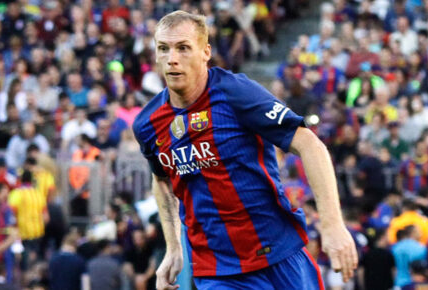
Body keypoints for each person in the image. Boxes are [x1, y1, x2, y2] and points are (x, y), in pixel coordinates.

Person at [132, 10, 357, 290]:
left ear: (205, 52)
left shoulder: (235, 93)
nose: (172, 58)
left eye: (183, 48)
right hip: (218, 270)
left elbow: (310, 144)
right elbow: (162, 179)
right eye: (163, 48)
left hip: (279, 253)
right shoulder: (148, 124)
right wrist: (173, 247)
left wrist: (333, 225)